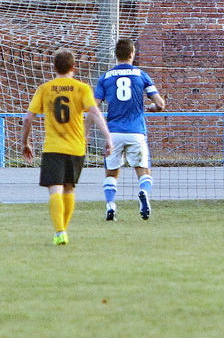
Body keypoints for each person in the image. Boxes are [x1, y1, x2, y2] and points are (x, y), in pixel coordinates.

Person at [21, 48, 112, 245]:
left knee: (55, 189)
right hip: (76, 147)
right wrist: (108, 138)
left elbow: (28, 118)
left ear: (54, 67)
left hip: (53, 147)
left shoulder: (45, 89)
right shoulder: (82, 88)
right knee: (69, 189)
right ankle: (63, 230)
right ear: (73, 67)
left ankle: (59, 231)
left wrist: (25, 143)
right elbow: (95, 113)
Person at [92, 38, 165, 221]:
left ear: (115, 55)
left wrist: (86, 132)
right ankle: (143, 192)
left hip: (114, 133)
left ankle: (110, 205)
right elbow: (160, 104)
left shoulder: (105, 77)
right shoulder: (141, 75)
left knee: (111, 173)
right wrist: (152, 108)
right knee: (143, 171)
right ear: (132, 54)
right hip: (136, 131)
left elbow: (94, 107)